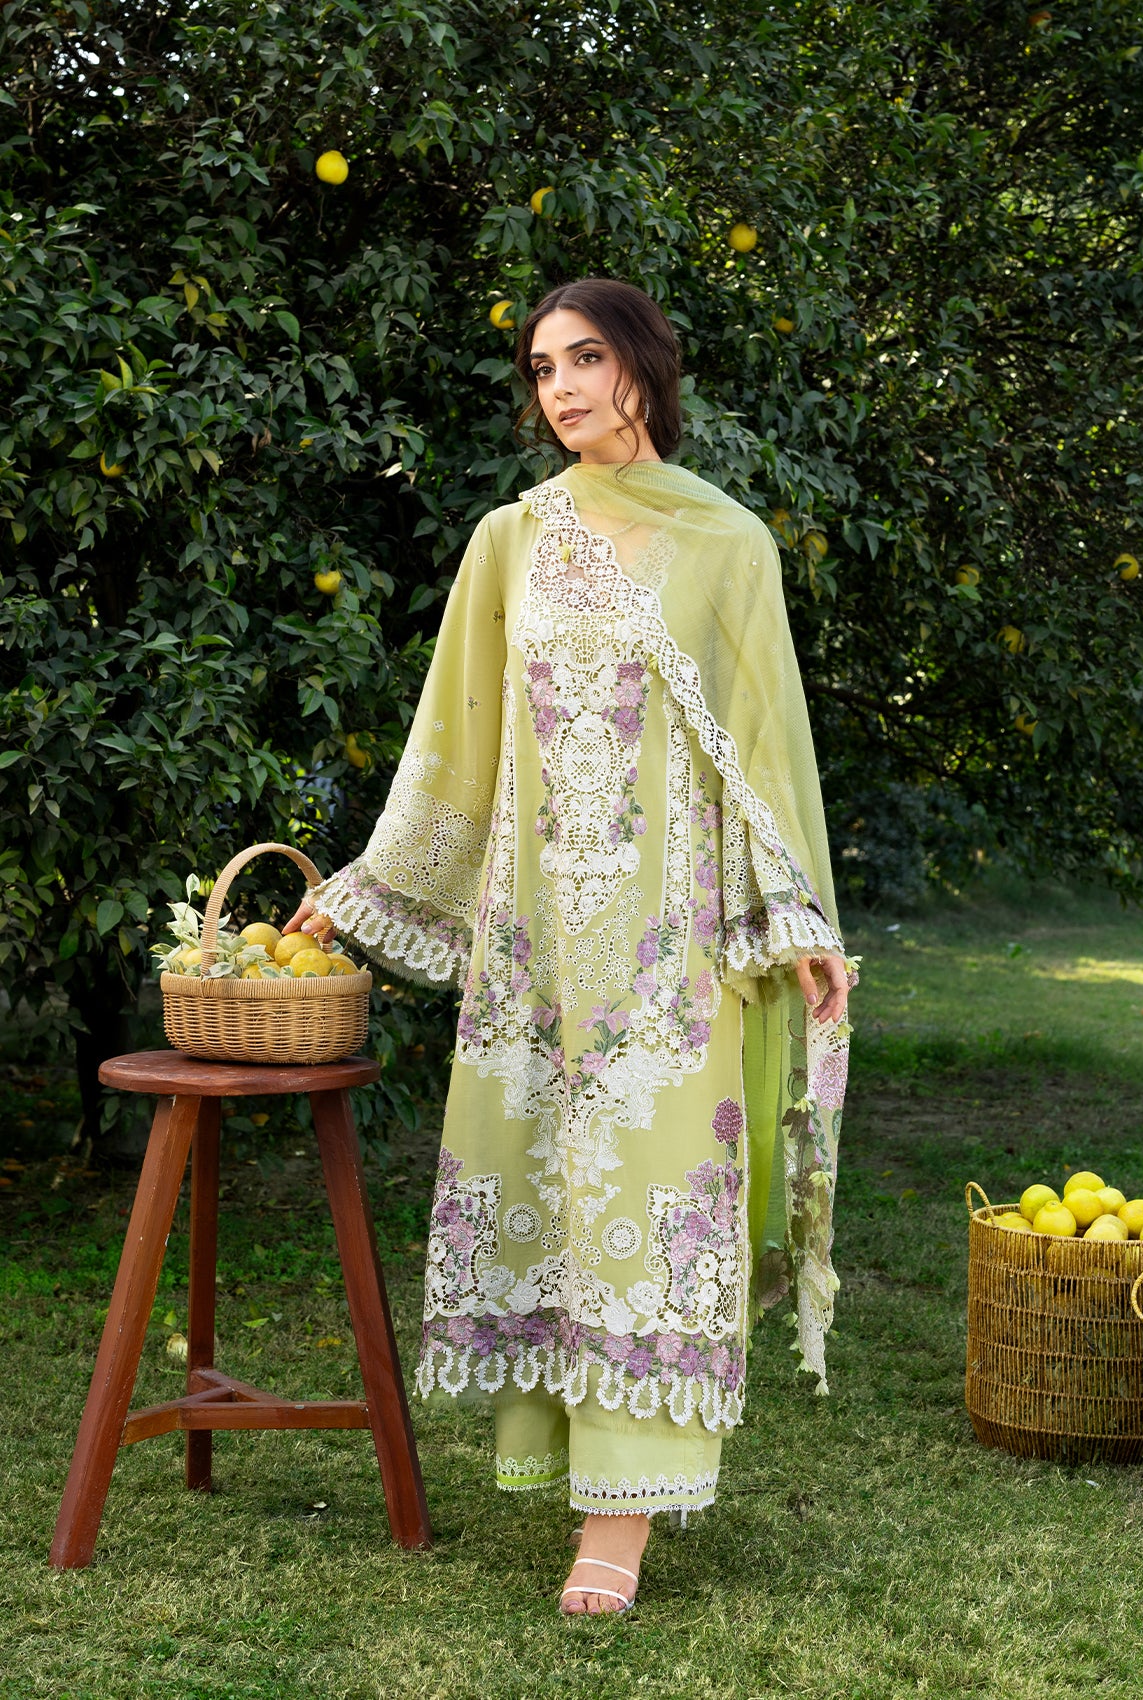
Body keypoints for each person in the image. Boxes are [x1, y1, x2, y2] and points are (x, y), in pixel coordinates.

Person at [284, 277, 854, 1615]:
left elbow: (765, 753)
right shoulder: (509, 540)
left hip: (672, 948)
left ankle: (621, 1523)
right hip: (535, 943)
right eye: (543, 369)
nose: (561, 390)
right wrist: (366, 888)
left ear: (643, 368)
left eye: (585, 359)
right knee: (548, 1190)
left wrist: (794, 920)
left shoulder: (730, 545)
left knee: (651, 1199)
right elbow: (456, 736)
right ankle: (568, 1461)